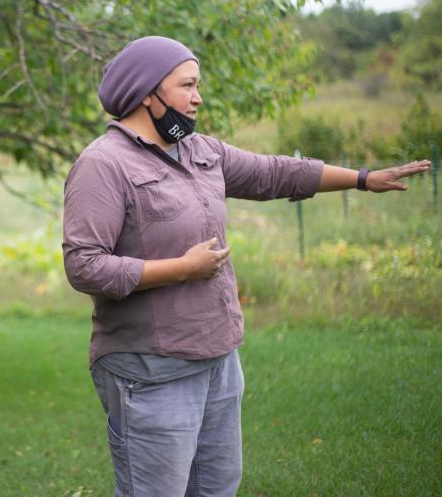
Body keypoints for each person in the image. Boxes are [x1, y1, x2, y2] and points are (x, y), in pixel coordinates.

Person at [62, 36, 430, 497]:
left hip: (218, 360)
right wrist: (181, 268)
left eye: (198, 86)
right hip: (150, 369)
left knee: (216, 490)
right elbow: (85, 266)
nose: (198, 98)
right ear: (146, 94)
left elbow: (275, 173)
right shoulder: (104, 164)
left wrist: (361, 179)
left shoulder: (199, 151)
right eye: (187, 85)